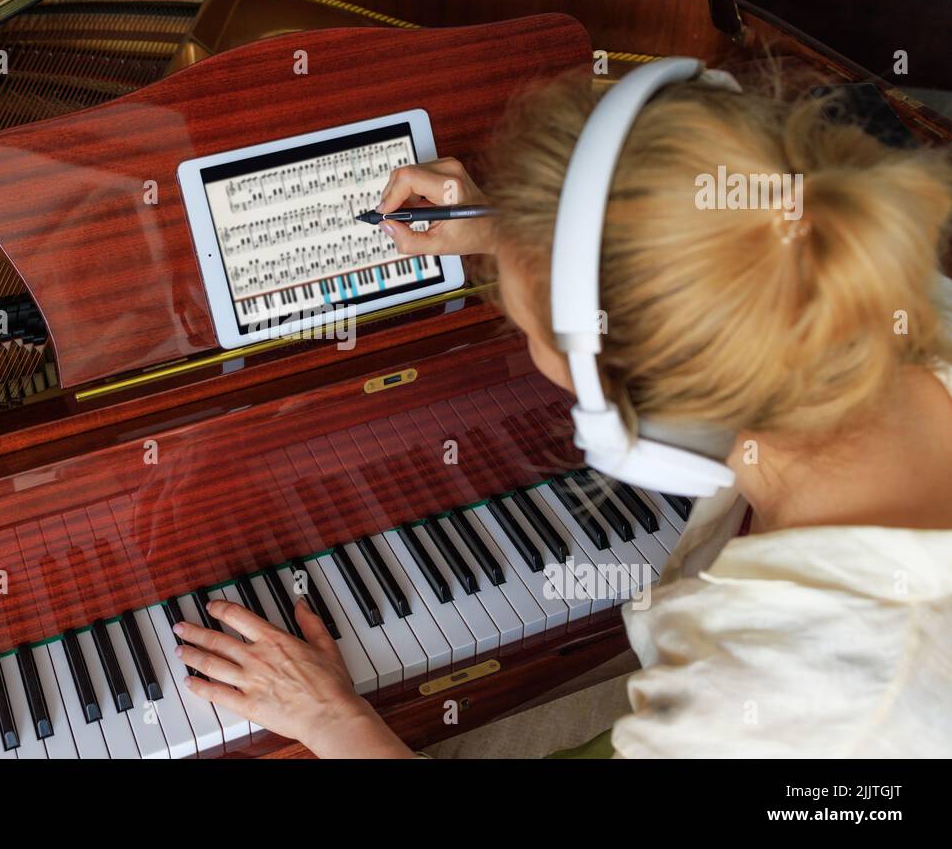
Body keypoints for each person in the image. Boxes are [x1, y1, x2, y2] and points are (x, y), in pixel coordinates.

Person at [171, 68, 952, 758]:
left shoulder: (773, 710)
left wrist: (335, 721)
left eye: (530, 334)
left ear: (639, 426)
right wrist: (527, 239)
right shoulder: (879, 285)